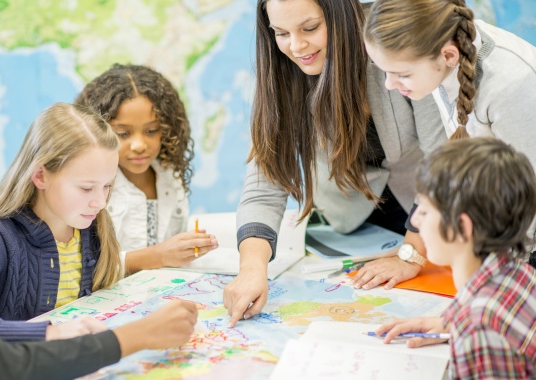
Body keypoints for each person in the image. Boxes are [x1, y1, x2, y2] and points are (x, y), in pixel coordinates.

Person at [0, 81, 197, 379]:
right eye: (85, 187)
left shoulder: (92, 227)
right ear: (40, 175)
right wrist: (49, 331)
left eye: (108, 186)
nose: (100, 200)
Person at [223, 0, 445, 327]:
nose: (296, 46)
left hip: (429, 207)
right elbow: (264, 184)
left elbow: (444, 160)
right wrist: (252, 270)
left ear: (341, 14)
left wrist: (412, 253)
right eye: (281, 33)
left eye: (310, 28)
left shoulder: (394, 42)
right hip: (358, 224)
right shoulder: (279, 72)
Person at [353, 0, 536, 290]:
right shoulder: (441, 62)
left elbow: (531, 201)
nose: (389, 85)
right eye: (383, 70)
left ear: (449, 55)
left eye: (402, 74)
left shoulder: (512, 85)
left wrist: (487, 299)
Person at [375, 137, 536, 378]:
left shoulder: (478, 327)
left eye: (425, 211)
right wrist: (449, 323)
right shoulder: (520, 273)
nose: (415, 221)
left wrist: (465, 327)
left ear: (462, 228)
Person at [75, 64, 218, 274]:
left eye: (151, 130)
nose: (139, 145)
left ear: (168, 129)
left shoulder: (169, 176)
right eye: (123, 133)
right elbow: (81, 269)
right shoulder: (89, 189)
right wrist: (158, 256)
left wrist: (186, 249)